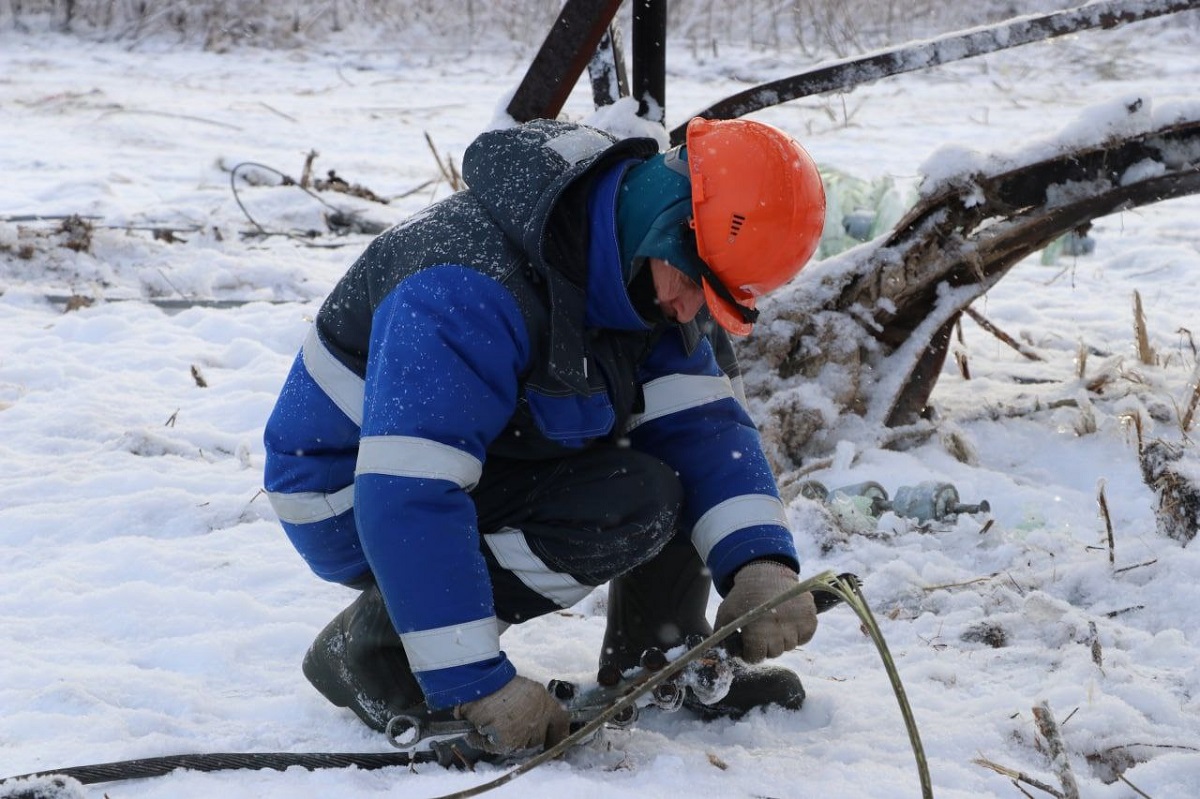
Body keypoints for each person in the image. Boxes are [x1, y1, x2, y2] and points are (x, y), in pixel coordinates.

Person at [263, 115, 827, 756]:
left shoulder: (636, 267)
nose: (692, 311)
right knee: (620, 500)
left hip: (472, 458)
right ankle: (378, 654)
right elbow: (409, 492)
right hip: (347, 495)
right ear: (666, 227)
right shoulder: (464, 289)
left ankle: (659, 650)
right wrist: (474, 684)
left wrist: (761, 564)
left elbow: (703, 432)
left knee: (659, 465)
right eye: (698, 284)